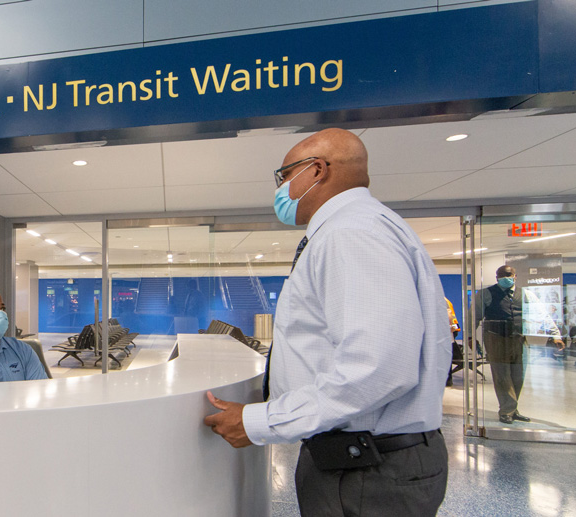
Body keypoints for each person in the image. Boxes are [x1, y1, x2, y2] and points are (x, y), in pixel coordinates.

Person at [203, 128, 452, 516]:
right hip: (363, 462)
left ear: (316, 170)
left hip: (367, 473)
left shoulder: (350, 234)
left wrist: (261, 421)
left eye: (283, 177)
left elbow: (378, 368)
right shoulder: (362, 228)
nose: (281, 190)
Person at [475, 266, 563, 424]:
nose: (505, 278)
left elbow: (541, 313)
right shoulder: (485, 294)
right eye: (501, 275)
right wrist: (469, 336)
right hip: (495, 338)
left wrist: (555, 334)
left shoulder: (526, 294)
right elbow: (474, 316)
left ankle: (512, 409)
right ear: (496, 277)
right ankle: (506, 410)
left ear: (515, 276)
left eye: (508, 275)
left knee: (517, 375)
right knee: (502, 375)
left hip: (518, 338)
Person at [445, 296, 461, 387]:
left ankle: (447, 380)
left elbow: (449, 314)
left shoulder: (441, 300)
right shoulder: (446, 300)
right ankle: (448, 380)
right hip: (450, 331)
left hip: (446, 333)